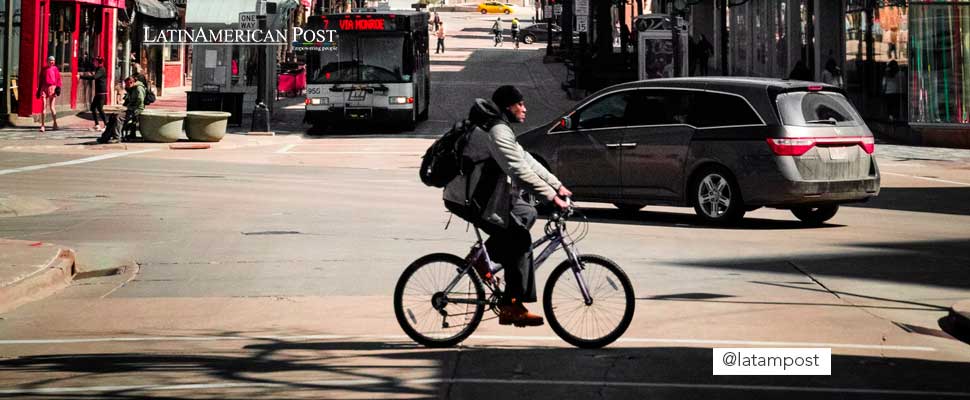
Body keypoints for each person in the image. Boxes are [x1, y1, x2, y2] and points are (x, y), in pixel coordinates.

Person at [443, 86, 572, 327]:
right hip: (470, 199)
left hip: (485, 196)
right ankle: (511, 305)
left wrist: (557, 185)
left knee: (527, 212)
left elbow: (526, 159)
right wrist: (549, 196)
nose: (524, 108)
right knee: (520, 240)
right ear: (507, 107)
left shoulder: (500, 128)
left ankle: (484, 258)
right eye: (520, 104)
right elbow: (518, 170)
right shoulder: (496, 131)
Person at [100, 76, 145, 144]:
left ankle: (117, 137)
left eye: (127, 84)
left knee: (119, 117)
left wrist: (131, 107)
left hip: (136, 110)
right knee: (113, 116)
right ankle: (105, 136)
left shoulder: (139, 88)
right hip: (130, 108)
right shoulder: (132, 88)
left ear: (131, 82)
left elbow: (140, 101)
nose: (126, 86)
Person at [80, 56, 108, 131]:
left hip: (102, 92)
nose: (93, 63)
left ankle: (106, 125)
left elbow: (94, 77)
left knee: (100, 109)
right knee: (93, 107)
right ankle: (97, 125)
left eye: (95, 61)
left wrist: (81, 76)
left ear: (98, 62)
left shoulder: (101, 69)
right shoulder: (98, 69)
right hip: (99, 91)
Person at [36, 56, 62, 132]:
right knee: (43, 106)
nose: (52, 62)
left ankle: (55, 123)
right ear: (47, 61)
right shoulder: (44, 69)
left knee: (52, 107)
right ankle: (42, 125)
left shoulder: (55, 69)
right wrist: (38, 90)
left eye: (53, 61)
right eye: (50, 60)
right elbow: (40, 80)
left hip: (52, 88)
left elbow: (58, 79)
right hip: (44, 87)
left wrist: (58, 88)